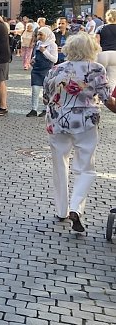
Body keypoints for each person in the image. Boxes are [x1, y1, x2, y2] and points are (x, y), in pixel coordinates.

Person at [43, 34, 115, 234]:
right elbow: (107, 98)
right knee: (86, 168)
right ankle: (76, 207)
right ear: (92, 50)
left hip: (57, 122)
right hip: (85, 122)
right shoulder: (96, 69)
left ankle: (62, 210)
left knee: (59, 165)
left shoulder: (56, 69)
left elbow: (46, 98)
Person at [27, 26, 58, 118]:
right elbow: (36, 55)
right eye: (38, 34)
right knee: (35, 90)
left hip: (47, 69)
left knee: (46, 90)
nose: (39, 36)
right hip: (36, 69)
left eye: (41, 34)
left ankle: (46, 109)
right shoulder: (38, 43)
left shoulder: (52, 45)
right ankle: (34, 109)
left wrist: (45, 52)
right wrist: (33, 59)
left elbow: (54, 59)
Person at [95, 9, 116, 94]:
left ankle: (97, 95)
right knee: (112, 78)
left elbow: (96, 43)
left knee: (98, 76)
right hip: (115, 54)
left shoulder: (100, 28)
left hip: (103, 54)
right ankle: (110, 97)